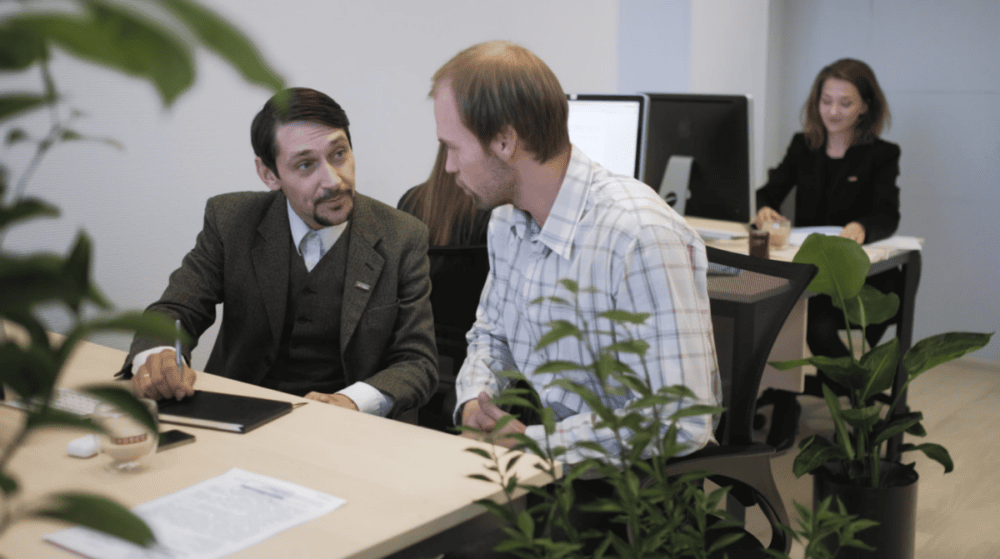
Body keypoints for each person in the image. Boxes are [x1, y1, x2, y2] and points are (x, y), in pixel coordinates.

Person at [431, 40, 722, 466]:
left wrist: (538, 444)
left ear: (505, 141)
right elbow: (493, 336)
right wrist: (475, 402)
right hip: (551, 461)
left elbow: (679, 418)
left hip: (634, 485)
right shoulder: (508, 222)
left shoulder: (638, 235)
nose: (448, 166)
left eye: (453, 147)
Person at [118, 87, 437, 420]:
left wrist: (351, 402)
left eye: (339, 154)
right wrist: (160, 355)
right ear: (269, 174)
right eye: (305, 165)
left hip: (344, 427)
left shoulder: (403, 236)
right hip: (237, 413)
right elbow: (177, 308)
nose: (333, 180)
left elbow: (417, 361)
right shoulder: (231, 220)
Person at [755, 58, 901, 357]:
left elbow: (887, 214)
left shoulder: (882, 154)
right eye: (826, 101)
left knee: (818, 328)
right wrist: (764, 209)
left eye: (845, 103)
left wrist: (861, 227)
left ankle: (851, 385)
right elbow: (767, 193)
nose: (833, 112)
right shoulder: (803, 146)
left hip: (861, 274)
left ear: (864, 106)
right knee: (784, 317)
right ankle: (834, 382)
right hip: (811, 270)